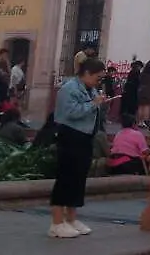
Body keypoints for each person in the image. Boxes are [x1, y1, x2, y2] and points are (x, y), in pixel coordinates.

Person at [48, 58, 107, 238]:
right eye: (98, 78)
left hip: (85, 136)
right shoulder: (69, 89)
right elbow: (71, 112)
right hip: (70, 135)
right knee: (66, 177)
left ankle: (72, 218)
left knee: (79, 177)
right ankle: (57, 222)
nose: (100, 82)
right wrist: (93, 104)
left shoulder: (90, 89)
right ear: (87, 73)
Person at [122, 61, 143, 127]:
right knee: (132, 108)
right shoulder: (136, 73)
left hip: (129, 92)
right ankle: (130, 121)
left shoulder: (132, 72)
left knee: (129, 108)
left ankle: (127, 121)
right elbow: (137, 82)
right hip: (133, 93)